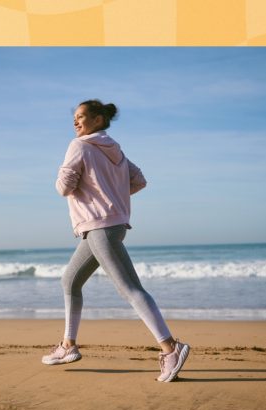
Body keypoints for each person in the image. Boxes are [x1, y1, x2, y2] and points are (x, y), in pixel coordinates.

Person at [41, 99, 190, 382]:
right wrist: (113, 199)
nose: (75, 122)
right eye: (73, 117)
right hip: (110, 226)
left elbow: (64, 187)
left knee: (131, 290)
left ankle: (171, 348)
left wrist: (95, 197)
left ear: (98, 120)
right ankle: (68, 345)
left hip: (100, 229)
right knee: (70, 281)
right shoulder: (116, 151)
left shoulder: (79, 146)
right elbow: (139, 180)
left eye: (81, 117)